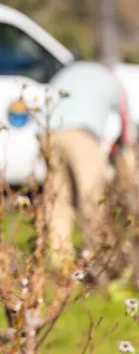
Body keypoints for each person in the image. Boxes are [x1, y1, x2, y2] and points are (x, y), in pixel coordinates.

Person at [44, 59, 129, 261]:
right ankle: (98, 255)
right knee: (91, 196)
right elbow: (126, 122)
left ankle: (59, 258)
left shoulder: (67, 73)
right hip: (81, 134)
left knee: (58, 198)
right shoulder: (112, 80)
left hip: (48, 133)